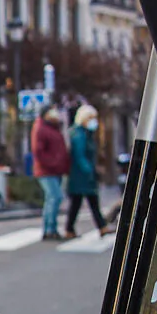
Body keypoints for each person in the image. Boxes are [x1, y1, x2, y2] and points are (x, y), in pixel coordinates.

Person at [62, 104, 107, 237]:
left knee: (82, 202)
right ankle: (100, 226)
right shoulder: (79, 134)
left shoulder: (85, 133)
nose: (94, 121)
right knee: (85, 201)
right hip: (80, 176)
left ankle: (99, 226)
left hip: (82, 175)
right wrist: (90, 171)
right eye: (92, 118)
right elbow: (80, 155)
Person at [29, 102, 70, 239]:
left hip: (55, 170)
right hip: (46, 170)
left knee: (51, 198)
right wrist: (53, 163)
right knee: (55, 197)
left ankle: (49, 229)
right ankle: (50, 229)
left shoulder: (53, 127)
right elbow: (38, 151)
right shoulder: (40, 128)